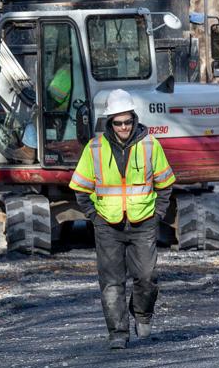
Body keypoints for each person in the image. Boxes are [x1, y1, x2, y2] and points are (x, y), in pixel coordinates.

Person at [69, 89, 175, 350]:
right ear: (110, 123)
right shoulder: (95, 148)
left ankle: (142, 314)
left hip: (144, 222)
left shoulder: (150, 145)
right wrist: (94, 216)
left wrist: (158, 213)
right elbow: (81, 187)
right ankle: (118, 331)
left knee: (147, 277)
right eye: (118, 122)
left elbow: (166, 184)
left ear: (134, 119)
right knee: (111, 282)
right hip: (108, 224)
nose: (124, 127)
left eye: (128, 121)